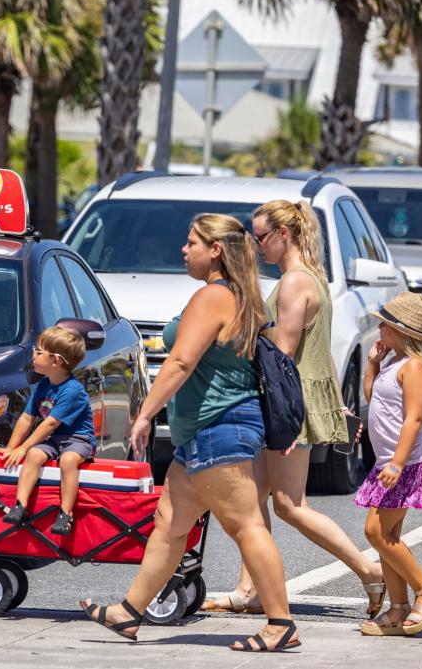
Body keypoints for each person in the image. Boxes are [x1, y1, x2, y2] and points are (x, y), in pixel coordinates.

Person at [79, 214, 300, 652]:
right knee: (169, 524)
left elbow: (180, 362)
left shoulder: (213, 297)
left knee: (247, 526)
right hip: (205, 432)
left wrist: (145, 414)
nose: (184, 250)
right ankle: (129, 612)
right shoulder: (237, 295)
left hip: (219, 427)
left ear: (215, 250)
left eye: (191, 242)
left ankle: (281, 624)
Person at [203, 200, 385, 618]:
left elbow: (281, 355)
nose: (256, 245)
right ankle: (250, 590)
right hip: (298, 398)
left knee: (289, 504)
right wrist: (337, 403)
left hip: (286, 402)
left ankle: (369, 570)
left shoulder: (292, 283)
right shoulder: (311, 276)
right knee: (254, 499)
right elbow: (316, 349)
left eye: (261, 236)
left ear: (284, 234)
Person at [357, 292, 422, 636]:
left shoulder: (415, 367)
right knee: (387, 536)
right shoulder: (394, 363)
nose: (379, 327)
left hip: (406, 464)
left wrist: (397, 463)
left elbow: (412, 419)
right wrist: (372, 366)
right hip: (390, 463)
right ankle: (398, 608)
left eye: (386, 324)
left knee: (375, 532)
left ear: (403, 331)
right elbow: (373, 398)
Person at [1, 326, 96, 535]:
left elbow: (49, 424)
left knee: (68, 460)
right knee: (34, 454)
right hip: (55, 439)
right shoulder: (44, 385)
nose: (33, 355)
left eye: (39, 352)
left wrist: (23, 447)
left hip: (78, 439)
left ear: (56, 361)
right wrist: (11, 448)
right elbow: (27, 418)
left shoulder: (72, 390)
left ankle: (66, 514)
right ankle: (20, 505)